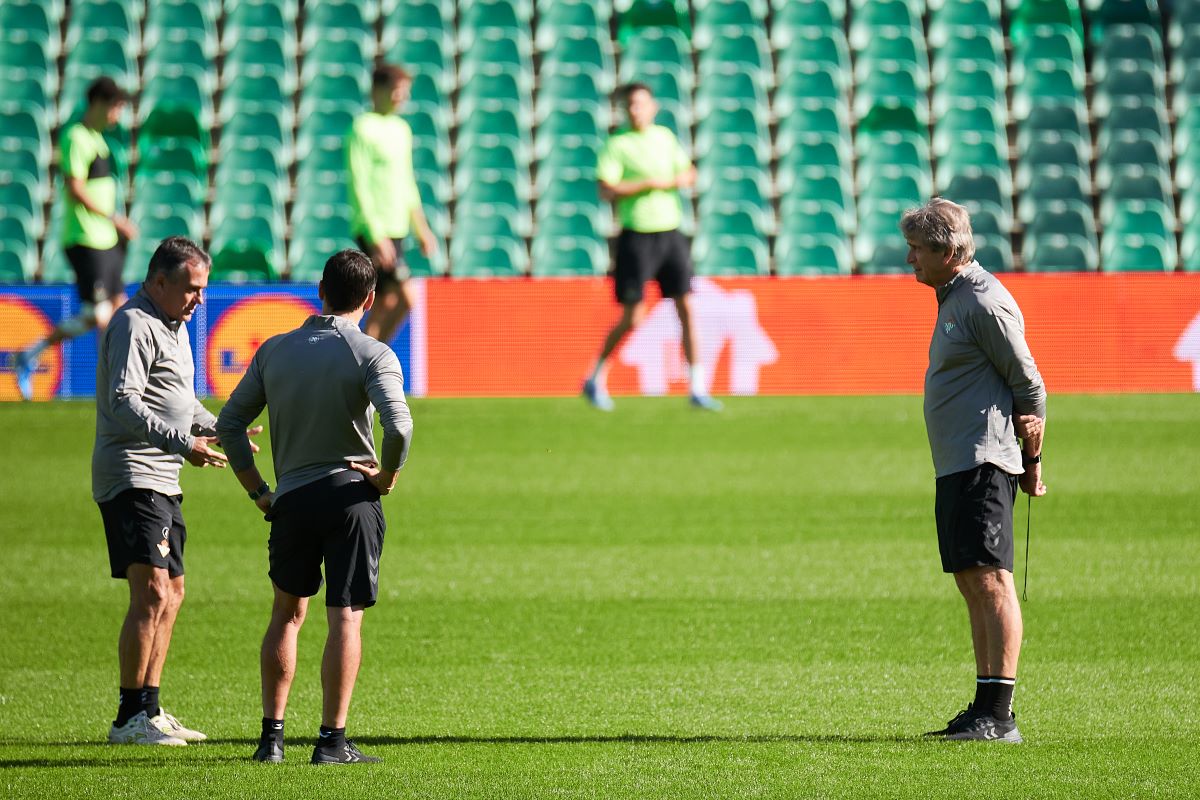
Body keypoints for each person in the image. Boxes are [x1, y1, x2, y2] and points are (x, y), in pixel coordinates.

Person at [216, 249, 414, 765]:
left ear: (320, 291)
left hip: (293, 498)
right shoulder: (373, 353)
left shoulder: (275, 350)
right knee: (345, 617)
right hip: (351, 497)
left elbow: (230, 424)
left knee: (286, 614)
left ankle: (271, 740)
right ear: (370, 299)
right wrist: (387, 476)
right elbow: (399, 426)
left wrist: (259, 490)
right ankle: (331, 741)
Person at [95, 237, 257, 746]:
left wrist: (224, 427)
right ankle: (128, 717)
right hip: (133, 474)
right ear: (160, 282)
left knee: (174, 592)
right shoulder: (133, 324)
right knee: (152, 591)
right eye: (191, 289)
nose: (199, 300)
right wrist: (185, 444)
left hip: (164, 476)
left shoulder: (175, 326)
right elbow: (124, 402)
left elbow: (181, 404)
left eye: (203, 289)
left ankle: (151, 708)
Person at [903, 199, 1047, 743]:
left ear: (948, 252)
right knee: (972, 581)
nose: (910, 258)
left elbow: (1029, 385)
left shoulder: (984, 300)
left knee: (991, 581)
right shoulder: (956, 296)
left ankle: (1000, 715)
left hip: (985, 460)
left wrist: (1032, 462)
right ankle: (985, 706)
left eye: (918, 249)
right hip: (959, 463)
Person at [582, 82, 721, 412]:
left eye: (641, 104)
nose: (636, 110)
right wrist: (645, 184)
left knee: (687, 308)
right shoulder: (617, 145)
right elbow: (606, 189)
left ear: (653, 107)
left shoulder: (665, 138)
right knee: (633, 316)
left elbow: (688, 173)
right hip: (637, 236)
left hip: (670, 233)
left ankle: (697, 387)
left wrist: (671, 181)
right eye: (630, 105)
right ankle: (596, 377)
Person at [16, 77, 139, 400]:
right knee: (101, 315)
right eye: (115, 107)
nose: (117, 115)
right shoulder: (76, 137)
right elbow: (76, 187)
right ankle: (111, 388)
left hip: (107, 241)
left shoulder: (99, 139)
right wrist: (114, 217)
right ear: (98, 103)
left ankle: (30, 354)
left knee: (116, 310)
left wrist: (115, 226)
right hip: (85, 237)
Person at [346, 62, 438, 346]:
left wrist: (422, 229)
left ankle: (368, 361)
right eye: (398, 91)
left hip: (397, 229)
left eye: (405, 92)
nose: (403, 98)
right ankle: (371, 360)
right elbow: (359, 184)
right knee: (405, 296)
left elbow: (407, 182)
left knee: (386, 301)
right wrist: (375, 235)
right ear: (378, 90)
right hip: (375, 230)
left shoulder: (401, 129)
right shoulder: (362, 128)